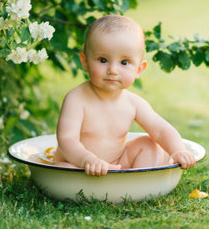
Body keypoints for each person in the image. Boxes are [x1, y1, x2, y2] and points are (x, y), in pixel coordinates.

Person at [53, 15, 196, 176]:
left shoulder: (133, 103)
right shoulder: (76, 99)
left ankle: (137, 181)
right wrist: (88, 160)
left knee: (149, 144)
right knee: (63, 169)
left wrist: (177, 150)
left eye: (124, 62)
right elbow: (67, 139)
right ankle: (93, 182)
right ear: (85, 62)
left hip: (117, 162)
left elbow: (161, 130)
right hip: (79, 164)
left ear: (139, 69)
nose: (113, 70)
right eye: (102, 60)